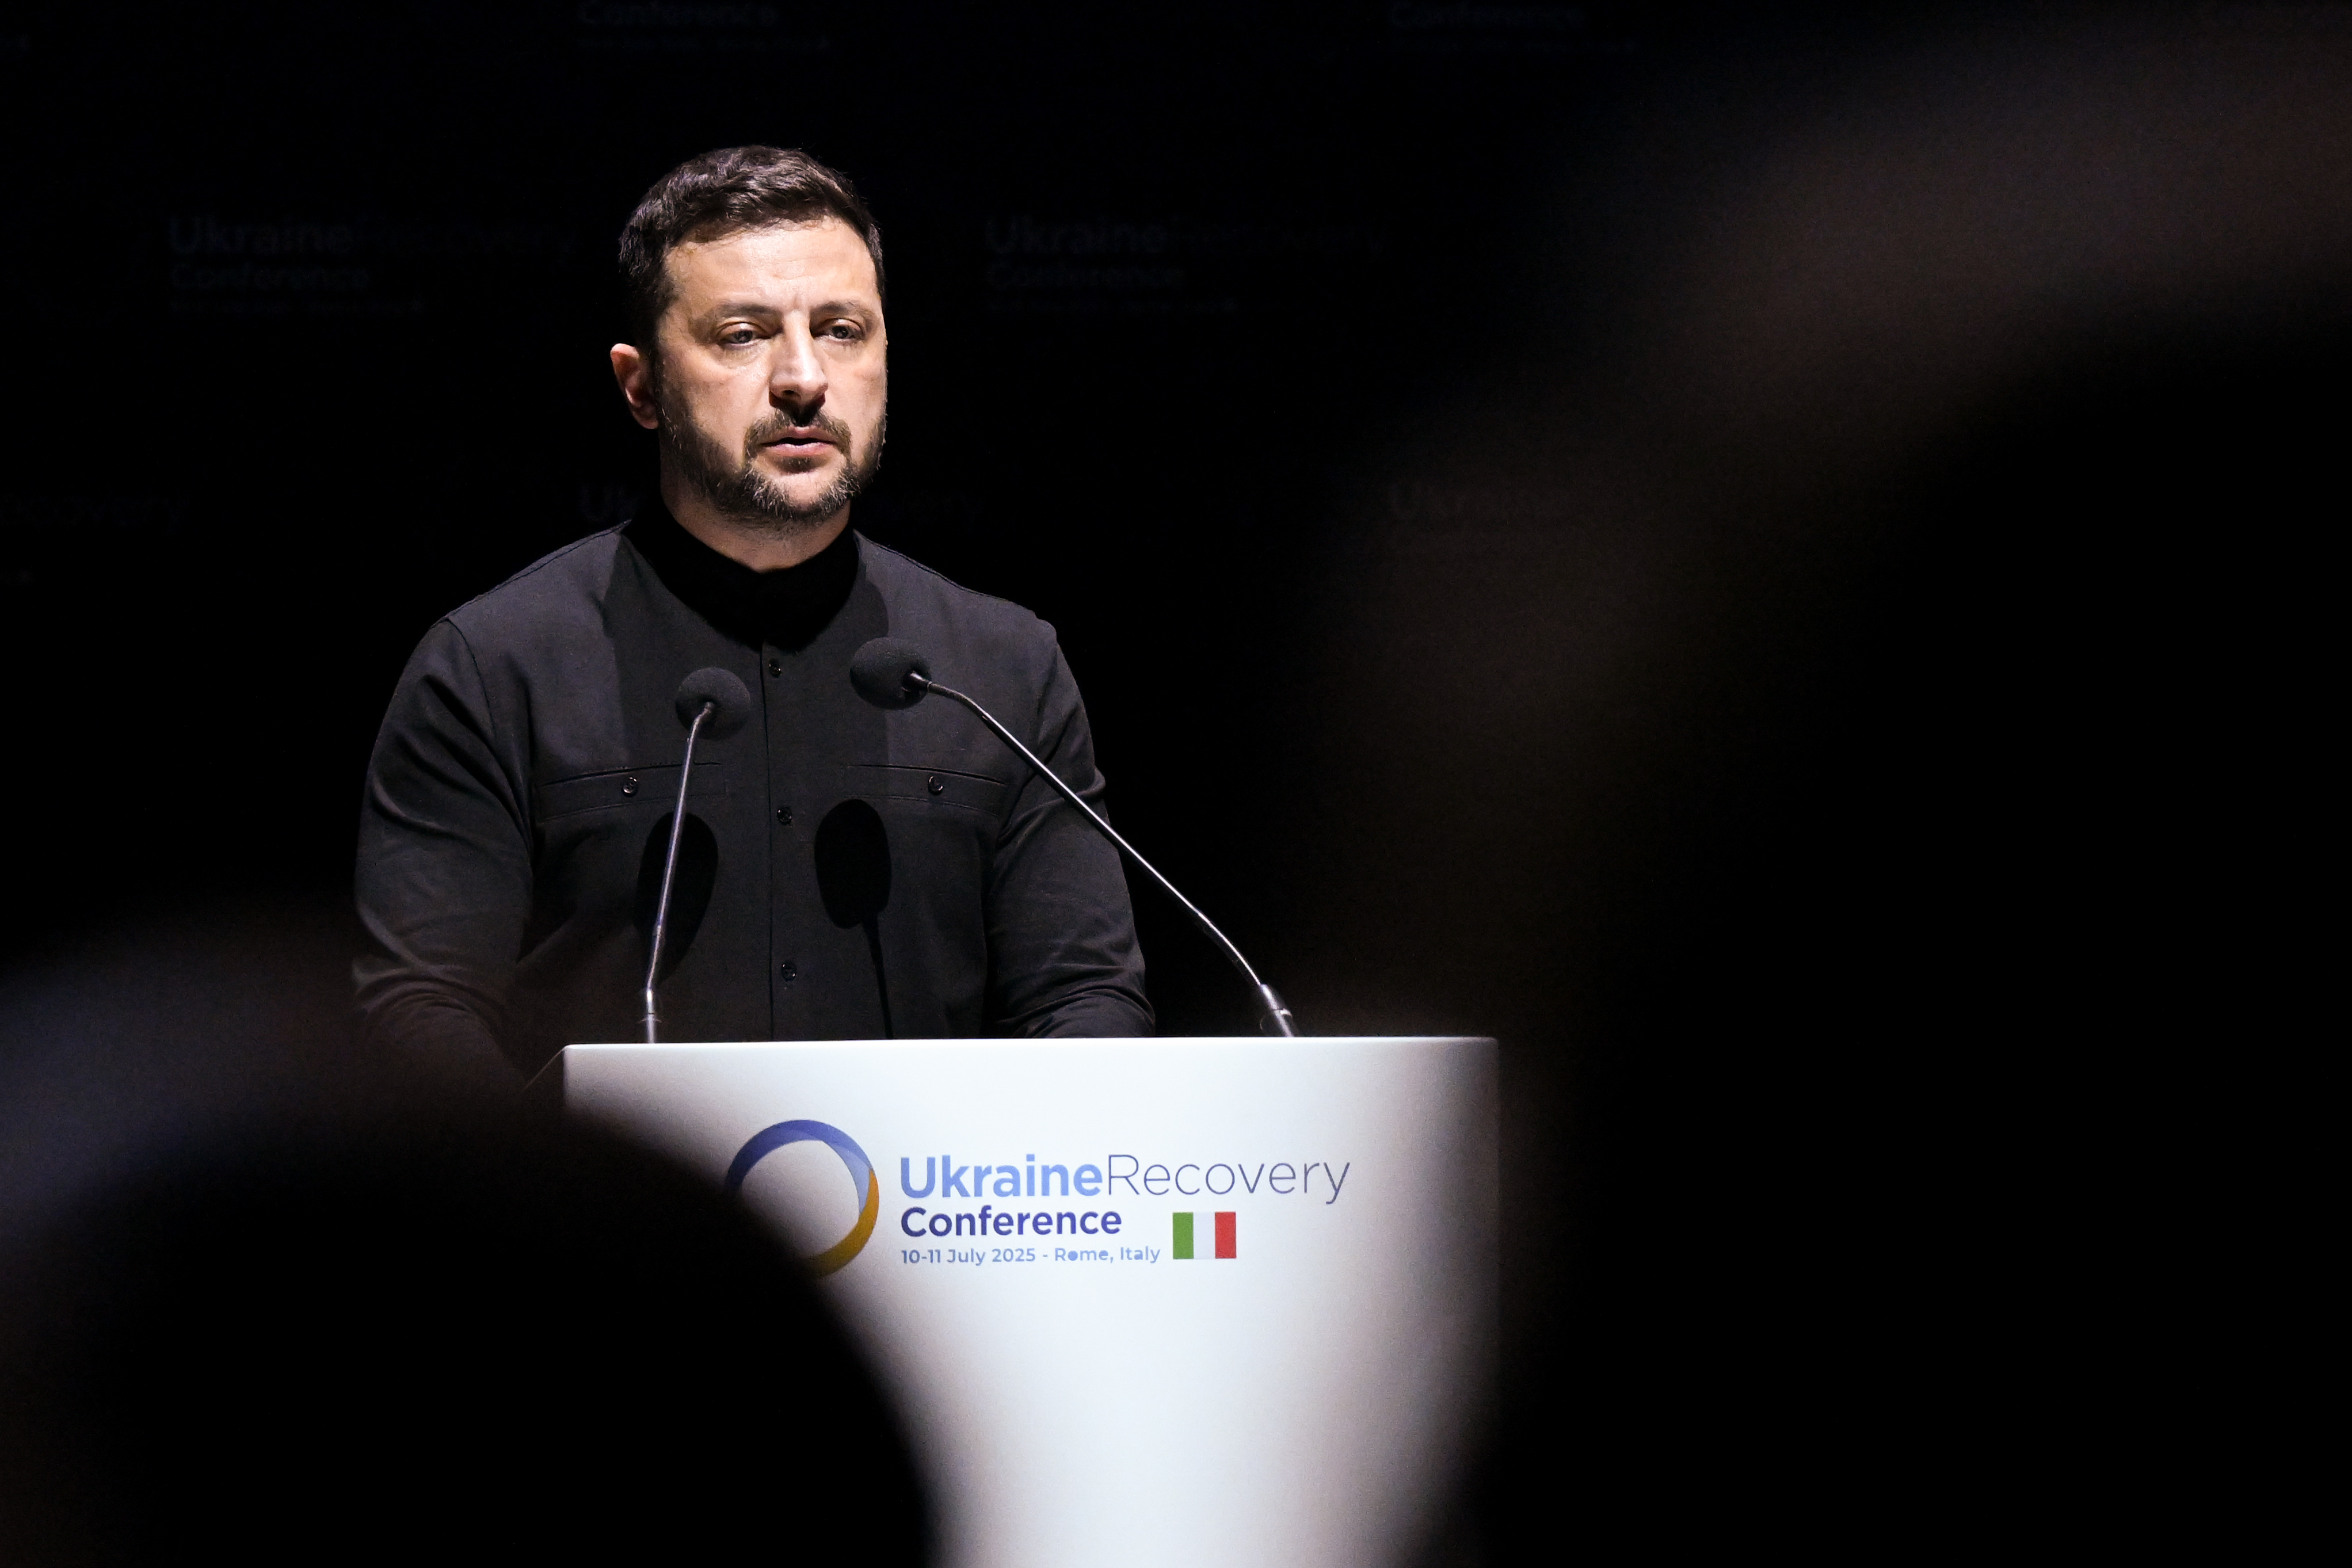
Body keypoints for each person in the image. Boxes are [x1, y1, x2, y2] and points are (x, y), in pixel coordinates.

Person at [354, 147, 1151, 1077]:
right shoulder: (494, 668)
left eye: (843, 330)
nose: (804, 377)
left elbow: (1084, 998)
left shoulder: (1003, 669)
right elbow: (422, 1011)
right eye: (743, 335)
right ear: (641, 386)